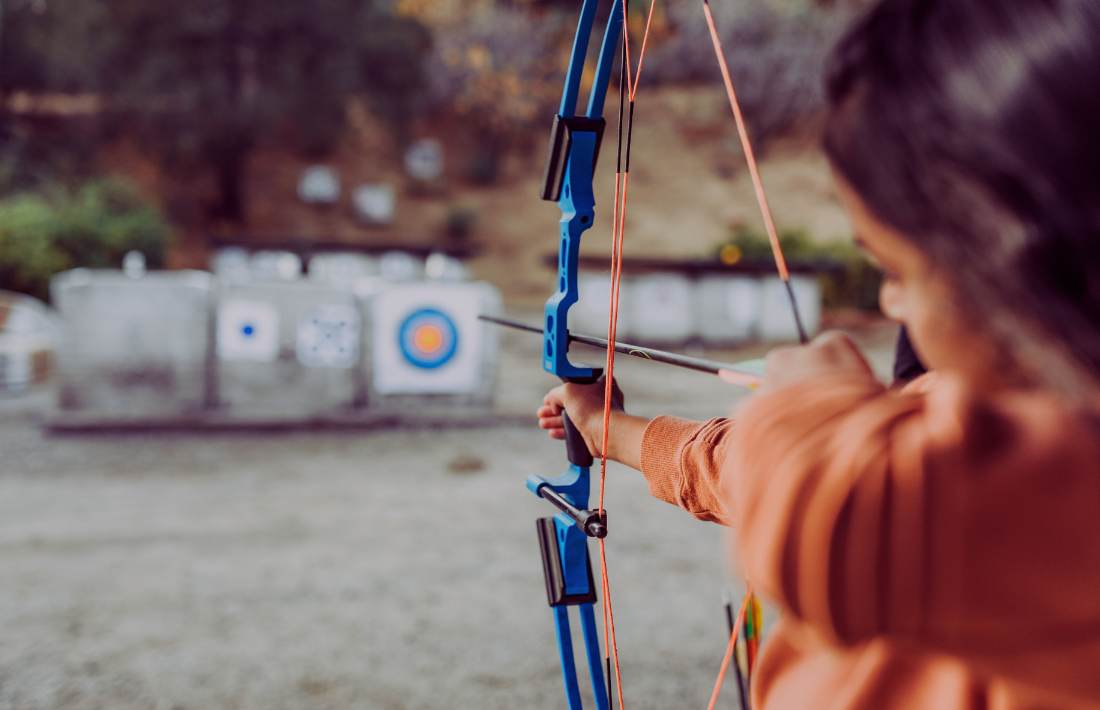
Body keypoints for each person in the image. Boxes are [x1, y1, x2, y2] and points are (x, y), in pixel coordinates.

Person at [536, 0, 1100, 707]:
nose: (891, 308)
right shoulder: (967, 433)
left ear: (1011, 257)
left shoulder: (1056, 476)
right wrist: (606, 430)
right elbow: (754, 469)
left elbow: (828, 504)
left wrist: (810, 395)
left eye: (897, 272)